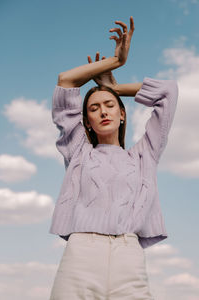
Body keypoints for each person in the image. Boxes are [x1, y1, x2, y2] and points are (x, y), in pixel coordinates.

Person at [49, 16, 178, 300]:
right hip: (82, 254)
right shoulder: (78, 150)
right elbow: (66, 81)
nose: (103, 111)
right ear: (86, 122)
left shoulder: (144, 155)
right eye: (94, 108)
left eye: (110, 105)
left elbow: (168, 92)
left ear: (123, 114)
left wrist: (113, 88)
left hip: (129, 256)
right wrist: (116, 62)